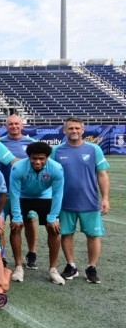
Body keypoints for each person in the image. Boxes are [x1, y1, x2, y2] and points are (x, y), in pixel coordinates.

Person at [51, 117, 110, 284]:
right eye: (70, 128)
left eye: (77, 128)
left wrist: (105, 198)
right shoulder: (57, 151)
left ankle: (92, 268)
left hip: (90, 202)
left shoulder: (94, 149)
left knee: (93, 235)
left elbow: (102, 174)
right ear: (64, 131)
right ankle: (71, 266)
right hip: (65, 203)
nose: (74, 131)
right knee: (66, 234)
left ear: (82, 130)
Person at [9, 141, 64, 284]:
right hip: (23, 196)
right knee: (16, 227)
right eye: (34, 158)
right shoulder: (18, 167)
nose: (38, 162)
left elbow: (58, 194)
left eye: (41, 158)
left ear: (47, 157)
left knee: (54, 229)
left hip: (45, 196)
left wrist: (53, 217)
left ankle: (53, 269)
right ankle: (19, 267)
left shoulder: (56, 168)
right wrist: (16, 216)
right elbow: (14, 193)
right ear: (29, 157)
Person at [0, 115, 39, 268]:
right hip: (3, 192)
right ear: (6, 126)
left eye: (17, 124)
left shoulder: (32, 143)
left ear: (22, 125)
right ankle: (1, 255)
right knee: (0, 225)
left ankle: (32, 253)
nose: (14, 126)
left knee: (29, 221)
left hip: (25, 193)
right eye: (11, 124)